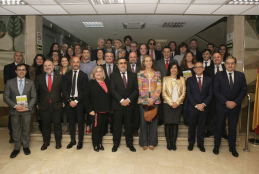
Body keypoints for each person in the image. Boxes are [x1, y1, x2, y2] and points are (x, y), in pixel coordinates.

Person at [213, 56, 247, 157]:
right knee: (219, 126)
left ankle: (232, 147)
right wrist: (226, 102)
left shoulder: (240, 75)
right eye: (228, 63)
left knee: (232, 128)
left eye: (232, 63)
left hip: (235, 107)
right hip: (222, 106)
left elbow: (243, 91)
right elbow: (216, 90)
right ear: (224, 64)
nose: (230, 65)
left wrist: (235, 102)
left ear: (235, 64)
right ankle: (216, 145)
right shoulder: (219, 75)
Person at [3, 63, 37, 158]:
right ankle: (16, 147)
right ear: (16, 71)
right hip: (14, 110)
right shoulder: (10, 82)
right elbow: (5, 97)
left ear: (26, 71)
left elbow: (34, 97)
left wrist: (28, 107)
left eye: (23, 70)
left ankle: (26, 146)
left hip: (27, 110)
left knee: (26, 129)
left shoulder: (30, 83)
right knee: (16, 129)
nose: (21, 71)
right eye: (19, 69)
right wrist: (15, 106)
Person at [110, 57, 139, 152]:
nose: (123, 65)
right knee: (117, 126)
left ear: (127, 64)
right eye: (120, 63)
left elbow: (136, 90)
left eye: (124, 63)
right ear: (117, 65)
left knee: (129, 125)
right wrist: (121, 100)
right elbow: (112, 90)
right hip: (118, 105)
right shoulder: (113, 75)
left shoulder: (133, 75)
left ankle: (129, 143)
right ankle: (115, 143)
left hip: (130, 105)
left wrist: (128, 100)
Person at [35, 60, 63, 151]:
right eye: (45, 66)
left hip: (57, 105)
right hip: (44, 106)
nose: (47, 67)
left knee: (57, 124)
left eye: (49, 65)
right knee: (45, 125)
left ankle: (58, 141)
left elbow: (64, 91)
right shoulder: (39, 77)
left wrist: (63, 102)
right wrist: (37, 104)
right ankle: (46, 142)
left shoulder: (60, 77)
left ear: (53, 66)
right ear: (43, 67)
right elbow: (36, 92)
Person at [3, 51, 30, 143]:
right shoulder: (7, 67)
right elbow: (6, 82)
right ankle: (12, 135)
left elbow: (29, 81)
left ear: (22, 57)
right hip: (13, 97)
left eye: (20, 56)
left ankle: (24, 138)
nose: (18, 57)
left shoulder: (27, 67)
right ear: (14, 57)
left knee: (25, 119)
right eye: (16, 56)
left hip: (25, 97)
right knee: (13, 118)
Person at [186, 62, 213, 152]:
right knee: (192, 126)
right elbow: (188, 94)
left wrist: (203, 104)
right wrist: (196, 105)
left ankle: (200, 143)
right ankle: (191, 143)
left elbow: (210, 94)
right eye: (196, 67)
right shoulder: (190, 80)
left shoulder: (209, 80)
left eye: (200, 67)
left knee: (202, 126)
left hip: (204, 107)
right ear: (193, 69)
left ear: (203, 68)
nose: (198, 69)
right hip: (192, 107)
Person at [62, 57, 88, 150]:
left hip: (79, 102)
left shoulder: (84, 75)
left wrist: (76, 101)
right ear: (71, 63)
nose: (76, 64)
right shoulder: (66, 75)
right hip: (69, 101)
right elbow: (64, 89)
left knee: (81, 122)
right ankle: (73, 140)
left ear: (80, 63)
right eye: (74, 62)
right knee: (71, 122)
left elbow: (84, 90)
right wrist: (69, 100)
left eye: (77, 62)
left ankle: (80, 141)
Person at [83, 66, 111, 152]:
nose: (99, 73)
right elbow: (85, 97)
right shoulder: (90, 83)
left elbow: (110, 96)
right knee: (96, 128)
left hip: (106, 110)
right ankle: (95, 144)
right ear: (93, 74)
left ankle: (100, 143)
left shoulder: (107, 82)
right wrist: (89, 110)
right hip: (95, 111)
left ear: (103, 73)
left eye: (100, 71)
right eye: (97, 71)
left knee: (102, 127)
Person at [138, 55, 161, 150]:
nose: (148, 62)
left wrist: (153, 99)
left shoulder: (157, 73)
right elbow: (139, 88)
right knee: (143, 123)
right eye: (146, 61)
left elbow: (159, 87)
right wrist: (147, 99)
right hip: (143, 101)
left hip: (155, 101)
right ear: (143, 63)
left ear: (152, 62)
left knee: (153, 122)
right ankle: (143, 142)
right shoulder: (140, 73)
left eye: (150, 61)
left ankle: (152, 142)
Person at [162, 62, 186, 151]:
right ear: (169, 69)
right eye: (172, 68)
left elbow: (184, 93)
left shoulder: (182, 79)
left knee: (175, 124)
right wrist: (171, 103)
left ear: (178, 69)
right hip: (167, 104)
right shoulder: (165, 79)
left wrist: (177, 103)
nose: (173, 69)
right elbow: (163, 93)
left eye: (175, 68)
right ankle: (168, 142)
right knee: (168, 124)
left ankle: (173, 143)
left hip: (178, 104)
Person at [203, 53, 228, 139]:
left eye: (218, 57)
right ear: (212, 58)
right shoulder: (207, 69)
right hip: (211, 95)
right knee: (211, 113)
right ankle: (210, 130)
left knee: (222, 114)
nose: (216, 59)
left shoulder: (226, 68)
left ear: (221, 58)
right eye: (214, 57)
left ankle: (223, 131)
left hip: (223, 96)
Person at [156, 46, 178, 125]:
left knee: (171, 102)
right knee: (162, 103)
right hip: (161, 86)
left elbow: (177, 73)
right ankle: (162, 118)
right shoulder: (158, 62)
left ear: (171, 52)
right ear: (162, 52)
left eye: (168, 52)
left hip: (172, 87)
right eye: (164, 52)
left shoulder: (175, 61)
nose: (166, 53)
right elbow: (157, 75)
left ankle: (170, 118)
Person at [101, 51, 119, 134]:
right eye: (107, 56)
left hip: (115, 93)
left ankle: (113, 128)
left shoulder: (117, 67)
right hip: (103, 93)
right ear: (104, 58)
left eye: (111, 56)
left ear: (113, 58)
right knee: (104, 112)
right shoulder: (100, 67)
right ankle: (104, 129)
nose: (109, 57)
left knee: (114, 113)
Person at [80, 48, 97, 134]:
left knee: (90, 107)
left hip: (91, 89)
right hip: (80, 89)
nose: (86, 54)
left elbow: (96, 75)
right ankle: (81, 125)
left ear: (89, 54)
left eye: (87, 53)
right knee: (81, 108)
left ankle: (88, 125)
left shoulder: (94, 64)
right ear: (82, 54)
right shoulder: (79, 64)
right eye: (84, 53)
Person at [28, 54, 45, 132]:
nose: (39, 61)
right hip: (33, 92)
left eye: (41, 59)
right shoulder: (30, 69)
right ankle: (39, 125)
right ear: (35, 60)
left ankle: (43, 125)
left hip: (44, 92)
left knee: (42, 110)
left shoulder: (46, 69)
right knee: (36, 110)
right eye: (38, 59)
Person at [180, 51, 196, 126]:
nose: (189, 57)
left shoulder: (196, 67)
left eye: (190, 56)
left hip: (194, 88)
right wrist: (184, 79)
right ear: (185, 57)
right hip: (184, 87)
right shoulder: (182, 66)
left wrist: (192, 77)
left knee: (193, 103)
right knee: (185, 104)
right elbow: (178, 77)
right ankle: (185, 118)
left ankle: (193, 118)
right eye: (187, 56)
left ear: (193, 57)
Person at [127, 52, 141, 136]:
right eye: (131, 57)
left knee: (136, 113)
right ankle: (127, 129)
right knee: (128, 114)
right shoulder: (125, 66)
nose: (132, 59)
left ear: (137, 58)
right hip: (127, 94)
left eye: (134, 57)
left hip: (138, 93)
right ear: (128, 58)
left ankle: (135, 129)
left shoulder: (141, 68)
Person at [59, 57, 72, 134]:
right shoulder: (57, 70)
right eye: (62, 61)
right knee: (63, 110)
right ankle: (64, 127)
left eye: (65, 61)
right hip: (59, 92)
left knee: (69, 110)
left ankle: (70, 126)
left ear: (68, 62)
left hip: (68, 92)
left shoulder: (70, 70)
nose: (64, 62)